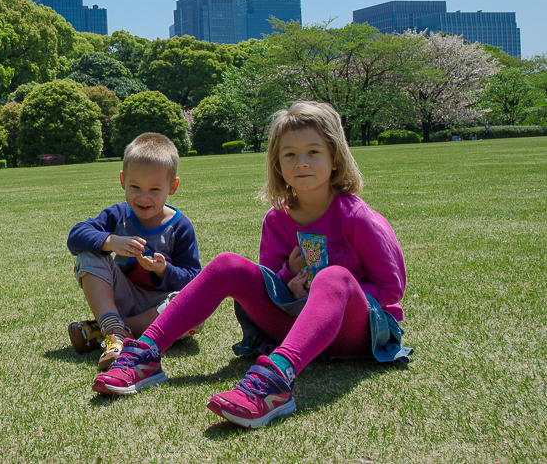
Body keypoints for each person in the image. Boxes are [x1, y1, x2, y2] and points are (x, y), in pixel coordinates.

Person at [92, 101, 412, 429]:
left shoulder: (357, 217)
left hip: (356, 334)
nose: (301, 163)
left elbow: (390, 290)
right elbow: (272, 285)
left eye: (313, 152)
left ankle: (274, 381)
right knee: (228, 263)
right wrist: (289, 276)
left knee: (334, 277)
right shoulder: (278, 219)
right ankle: (145, 353)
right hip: (292, 324)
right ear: (277, 162)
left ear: (335, 157)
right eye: (289, 154)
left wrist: (328, 293)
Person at [67, 132, 202, 370]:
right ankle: (114, 327)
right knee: (89, 253)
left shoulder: (180, 227)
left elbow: (194, 279)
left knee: (195, 309)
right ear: (122, 180)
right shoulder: (117, 215)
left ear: (172, 187)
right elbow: (76, 236)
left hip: (158, 305)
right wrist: (111, 241)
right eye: (135, 187)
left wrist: (164, 270)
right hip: (120, 295)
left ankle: (109, 330)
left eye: (154, 189)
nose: (143, 197)